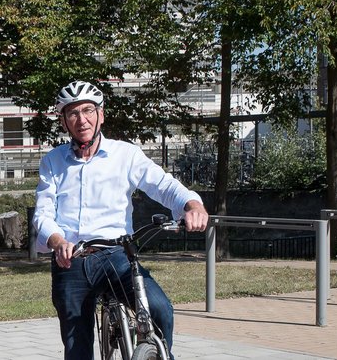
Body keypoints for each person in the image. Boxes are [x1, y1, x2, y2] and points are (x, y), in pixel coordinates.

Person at [32, 81, 209, 359]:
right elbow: (43, 213)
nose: (82, 119)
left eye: (88, 110)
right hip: (72, 258)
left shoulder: (125, 155)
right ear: (64, 121)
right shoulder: (53, 162)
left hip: (116, 256)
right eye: (73, 113)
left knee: (159, 308)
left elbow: (162, 185)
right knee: (77, 348)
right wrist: (58, 241)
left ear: (101, 115)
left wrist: (192, 204)